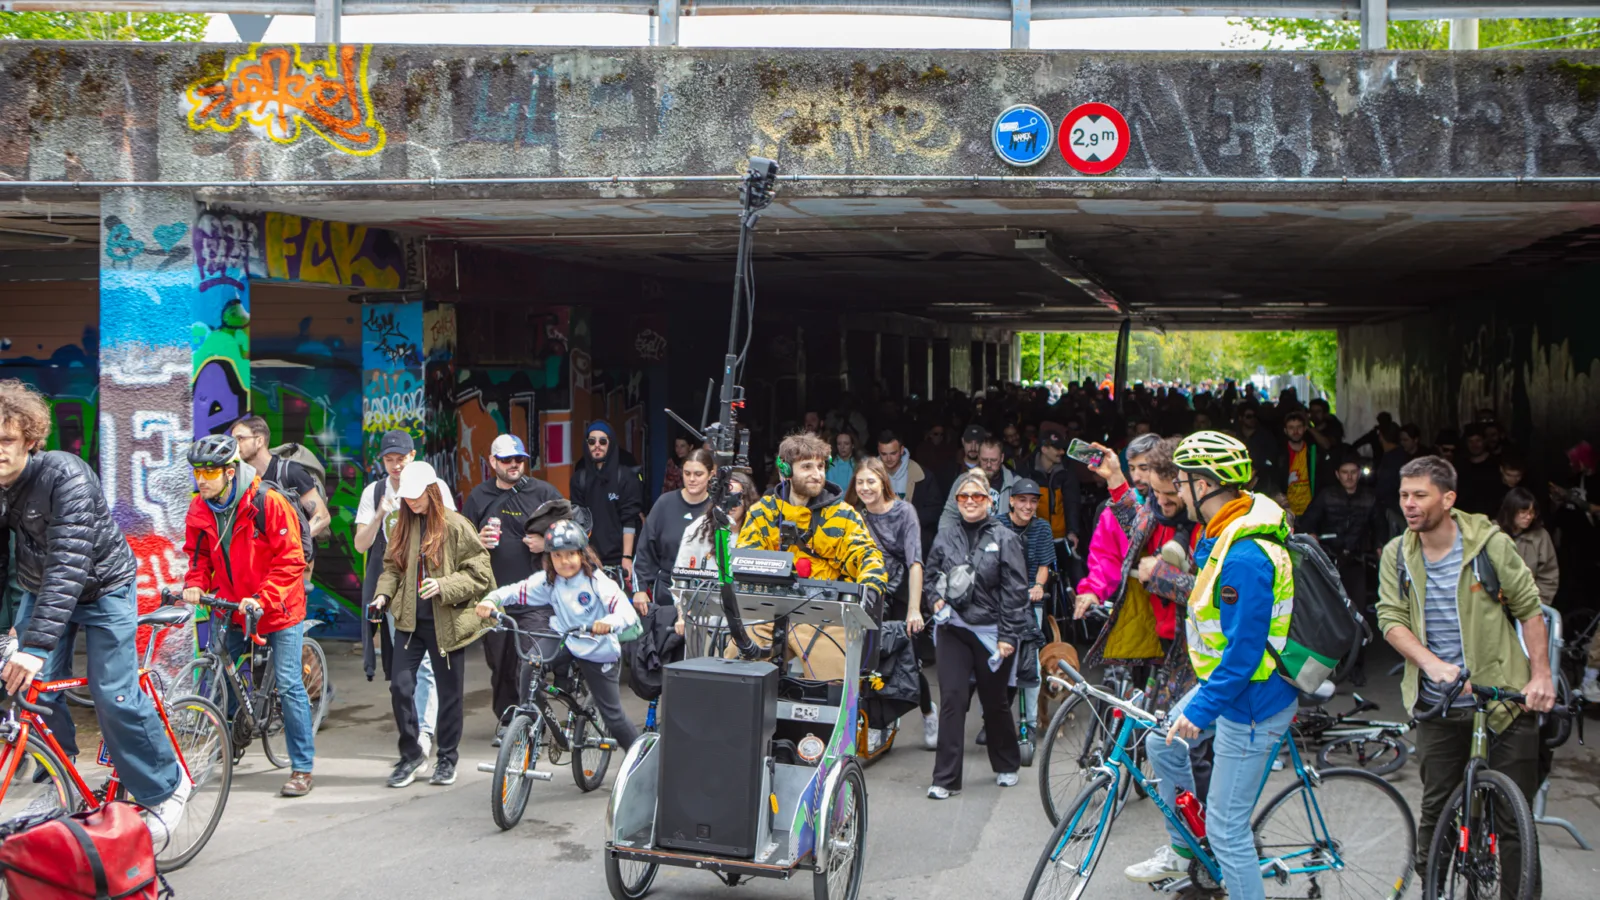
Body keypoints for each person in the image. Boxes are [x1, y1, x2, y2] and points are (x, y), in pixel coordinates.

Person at [0, 380, 188, 843]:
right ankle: (59, 782)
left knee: (113, 693)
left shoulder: (65, 476)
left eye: (5, 440)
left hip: (103, 589)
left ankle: (165, 786)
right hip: (40, 588)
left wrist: (34, 645)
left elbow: (69, 562)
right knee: (33, 691)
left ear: (29, 438)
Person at [1125, 431, 1298, 894]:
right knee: (1163, 745)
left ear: (1203, 486)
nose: (1176, 492)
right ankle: (1184, 850)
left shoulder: (1246, 554)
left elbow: (1243, 656)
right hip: (1229, 686)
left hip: (1253, 701)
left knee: (1227, 831)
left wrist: (1200, 713)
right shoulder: (1224, 531)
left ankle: (1212, 852)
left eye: (1182, 483)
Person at [1377, 456, 1554, 895]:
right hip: (1439, 701)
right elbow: (1391, 618)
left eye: (1420, 495)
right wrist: (1431, 664)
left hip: (1504, 698)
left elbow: (1530, 608)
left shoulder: (1489, 545)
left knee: (1515, 821)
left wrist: (1541, 676)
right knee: (1437, 812)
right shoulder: (1396, 554)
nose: (1409, 505)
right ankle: (1433, 888)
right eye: (1404, 495)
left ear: (1448, 498)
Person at [180, 434, 315, 797]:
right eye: (198, 472)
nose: (202, 479)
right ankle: (229, 740)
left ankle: (302, 767)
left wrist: (263, 598)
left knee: (288, 683)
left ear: (229, 471)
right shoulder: (200, 508)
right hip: (233, 606)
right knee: (220, 673)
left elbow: (291, 561)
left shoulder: (265, 502)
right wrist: (194, 583)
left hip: (279, 607)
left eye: (210, 472)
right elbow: (198, 556)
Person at [370, 461, 495, 789]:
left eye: (417, 495)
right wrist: (383, 596)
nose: (411, 501)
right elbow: (391, 569)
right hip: (409, 624)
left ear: (432, 491)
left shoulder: (456, 525)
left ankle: (447, 759)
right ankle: (412, 754)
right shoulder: (403, 526)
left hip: (447, 624)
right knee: (400, 686)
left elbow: (480, 572)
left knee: (450, 694)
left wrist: (444, 585)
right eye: (406, 497)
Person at [476, 519, 642, 753]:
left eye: (571, 554)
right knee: (531, 662)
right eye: (557, 556)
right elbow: (516, 590)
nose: (564, 562)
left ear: (583, 554)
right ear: (549, 557)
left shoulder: (597, 582)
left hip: (597, 647)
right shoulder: (548, 580)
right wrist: (491, 600)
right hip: (565, 639)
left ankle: (640, 760)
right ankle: (527, 719)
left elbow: (625, 612)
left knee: (613, 716)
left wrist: (608, 622)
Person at [922, 469, 1030, 799]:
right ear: (957, 502)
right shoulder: (945, 535)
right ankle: (944, 778)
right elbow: (930, 578)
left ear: (990, 501)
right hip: (953, 627)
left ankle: (1007, 763)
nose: (970, 502)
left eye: (977, 496)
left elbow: (1016, 591)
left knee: (995, 701)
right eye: (963, 497)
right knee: (952, 699)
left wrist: (1009, 637)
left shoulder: (1005, 537)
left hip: (991, 631)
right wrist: (935, 599)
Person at [355, 430, 454, 758]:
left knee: (425, 663)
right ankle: (414, 727)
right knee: (404, 664)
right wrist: (381, 513)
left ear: (413, 456)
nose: (396, 465)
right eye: (389, 460)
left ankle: (424, 731)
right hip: (396, 590)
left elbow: (452, 531)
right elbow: (360, 545)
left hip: (429, 585)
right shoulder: (375, 491)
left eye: (401, 458)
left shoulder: (435, 487)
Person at [460, 434, 562, 741]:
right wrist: (477, 540)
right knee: (500, 662)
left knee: (531, 660)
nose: (514, 465)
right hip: (495, 598)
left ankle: (530, 716)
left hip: (536, 598)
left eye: (519, 459)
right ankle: (507, 718)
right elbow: (460, 545)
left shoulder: (543, 492)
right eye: (507, 460)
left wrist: (547, 543)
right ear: (493, 462)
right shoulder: (478, 497)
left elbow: (576, 531)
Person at [853, 457, 937, 749]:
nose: (865, 488)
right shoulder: (858, 516)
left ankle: (928, 711)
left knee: (907, 658)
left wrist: (915, 608)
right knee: (871, 658)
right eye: (860, 482)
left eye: (871, 481)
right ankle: (877, 721)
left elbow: (915, 562)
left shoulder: (904, 512)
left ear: (883, 481)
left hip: (902, 591)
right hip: (872, 592)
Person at [739, 433, 887, 595]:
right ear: (786, 470)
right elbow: (745, 562)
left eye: (820, 466)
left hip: (828, 615)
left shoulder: (843, 515)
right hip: (771, 609)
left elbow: (868, 556)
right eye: (807, 466)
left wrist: (870, 592)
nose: (817, 475)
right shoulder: (762, 513)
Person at [1298, 452, 1386, 683]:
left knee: (1358, 614)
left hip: (1356, 562)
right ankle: (1327, 665)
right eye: (1345, 473)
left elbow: (1380, 526)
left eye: (1354, 472)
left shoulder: (1370, 498)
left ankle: (1356, 665)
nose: (1349, 477)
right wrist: (1312, 535)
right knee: (1326, 614)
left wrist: (1380, 547)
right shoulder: (1326, 496)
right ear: (1338, 474)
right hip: (1329, 563)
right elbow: (1307, 521)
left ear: (1360, 474)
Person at [632, 447, 713, 614]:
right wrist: (640, 588)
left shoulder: (716, 508)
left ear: (711, 475)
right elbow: (645, 548)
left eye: (698, 474)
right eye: (687, 473)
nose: (692, 479)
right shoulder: (664, 503)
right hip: (666, 590)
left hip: (706, 591)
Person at [230, 415, 331, 542]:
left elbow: (322, 516)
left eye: (240, 439)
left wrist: (294, 544)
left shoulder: (291, 472)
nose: (235, 445)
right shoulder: (240, 479)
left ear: (259, 441)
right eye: (233, 440)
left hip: (294, 559)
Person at [570, 420, 644, 579]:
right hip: (589, 559)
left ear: (611, 444)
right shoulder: (579, 479)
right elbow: (577, 521)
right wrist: (583, 556)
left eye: (603, 441)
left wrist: (627, 558)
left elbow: (629, 520)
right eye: (592, 441)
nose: (597, 445)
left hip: (619, 561)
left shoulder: (625, 477)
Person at [1013, 431, 1082, 551]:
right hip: (1034, 539)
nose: (1062, 452)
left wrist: (1072, 532)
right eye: (1057, 448)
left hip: (1062, 538)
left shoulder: (1067, 471)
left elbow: (1072, 503)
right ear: (1044, 449)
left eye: (1062, 448)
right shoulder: (1027, 470)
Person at [876, 430, 941, 555]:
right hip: (880, 541)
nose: (888, 459)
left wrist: (908, 517)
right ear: (878, 451)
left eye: (893, 453)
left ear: (901, 450)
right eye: (884, 454)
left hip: (914, 542)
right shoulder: (870, 475)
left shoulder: (922, 475)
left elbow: (935, 510)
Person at [937, 438, 1017, 534]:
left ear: (1002, 458)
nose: (988, 464)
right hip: (969, 543)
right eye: (984, 460)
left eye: (993, 460)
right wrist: (945, 539)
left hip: (1003, 542)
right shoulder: (963, 481)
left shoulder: (1015, 482)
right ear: (978, 457)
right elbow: (950, 514)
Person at [1500, 488, 1559, 608]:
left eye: (1532, 512)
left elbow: (1549, 576)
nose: (1528, 517)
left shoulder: (1540, 536)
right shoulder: (1492, 532)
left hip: (1527, 604)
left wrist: (1537, 604)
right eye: (1523, 512)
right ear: (1511, 510)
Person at [1279, 409, 1323, 518]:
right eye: (1291, 428)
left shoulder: (1313, 451)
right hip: (1287, 510)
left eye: (1299, 427)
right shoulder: (1279, 454)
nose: (1295, 431)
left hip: (1310, 509)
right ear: (1285, 430)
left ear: (1304, 429)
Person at [1453, 425, 1502, 516]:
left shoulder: (1496, 464)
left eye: (1478, 441)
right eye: (1470, 441)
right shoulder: (1460, 465)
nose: (1474, 445)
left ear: (1484, 441)